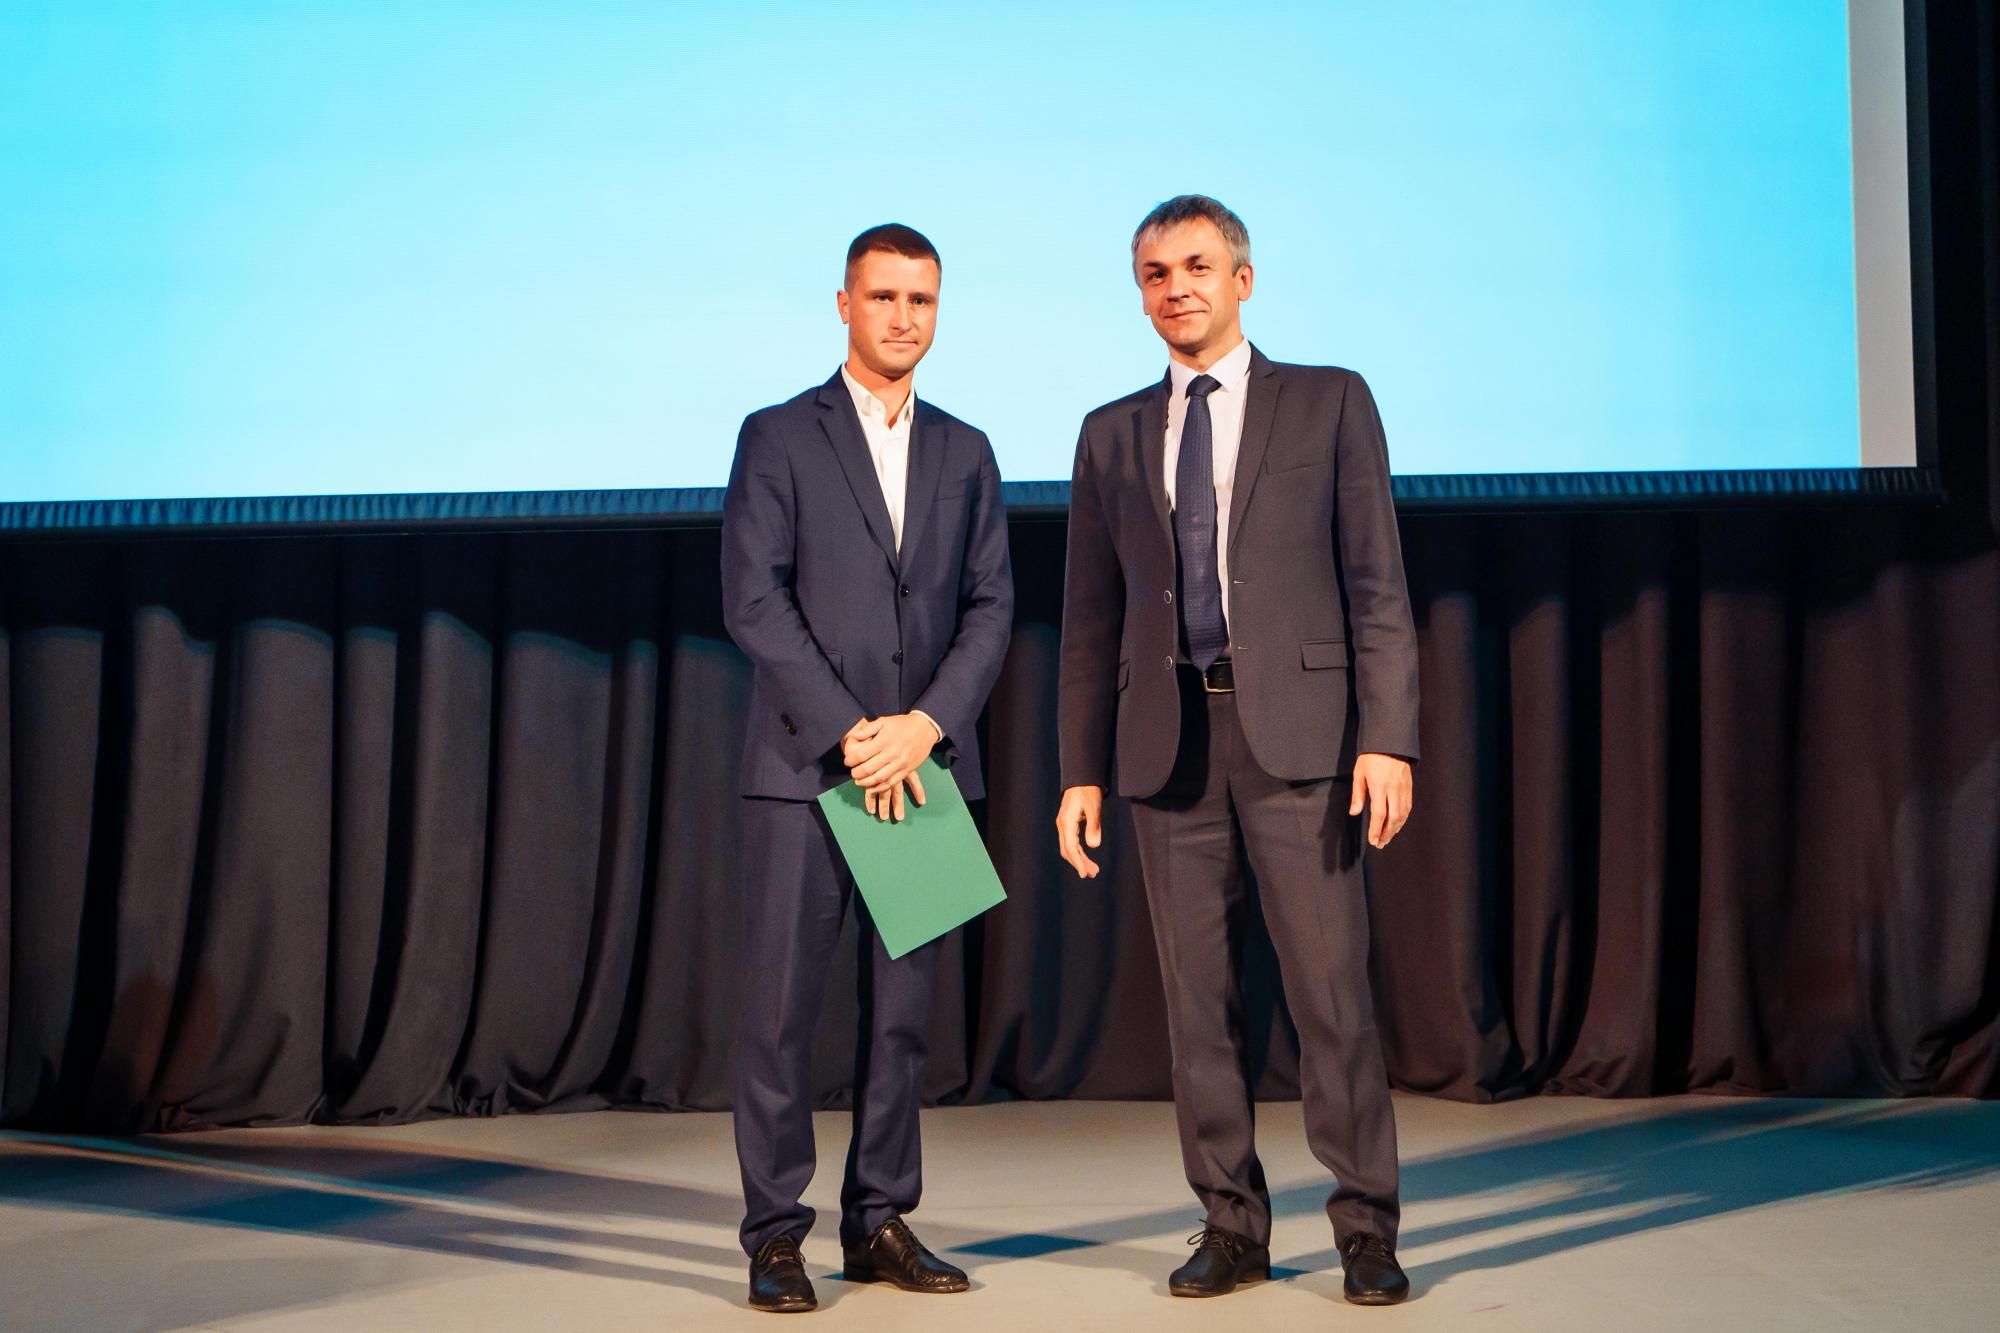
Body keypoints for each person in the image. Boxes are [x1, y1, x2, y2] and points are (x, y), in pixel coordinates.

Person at [1054, 195, 1419, 1306]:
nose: (1177, 289)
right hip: (1168, 746)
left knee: (1330, 997)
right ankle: (1230, 1222)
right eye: (1155, 274)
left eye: (1197, 266)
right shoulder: (1110, 432)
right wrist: (1079, 770)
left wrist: (1388, 738)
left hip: (1302, 742)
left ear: (1242, 279)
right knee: (1197, 1006)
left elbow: (1377, 584)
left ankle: (1364, 1227)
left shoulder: (1329, 399)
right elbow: (1089, 619)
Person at [721, 223, 1013, 1313]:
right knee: (780, 1015)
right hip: (807, 768)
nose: (903, 317)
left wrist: (924, 726)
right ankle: (774, 1234)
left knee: (901, 1019)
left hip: (923, 771)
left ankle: (879, 1218)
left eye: (920, 300)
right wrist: (856, 731)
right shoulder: (776, 435)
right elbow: (754, 599)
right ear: (844, 304)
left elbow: (991, 605)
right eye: (883, 296)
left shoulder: (966, 449)